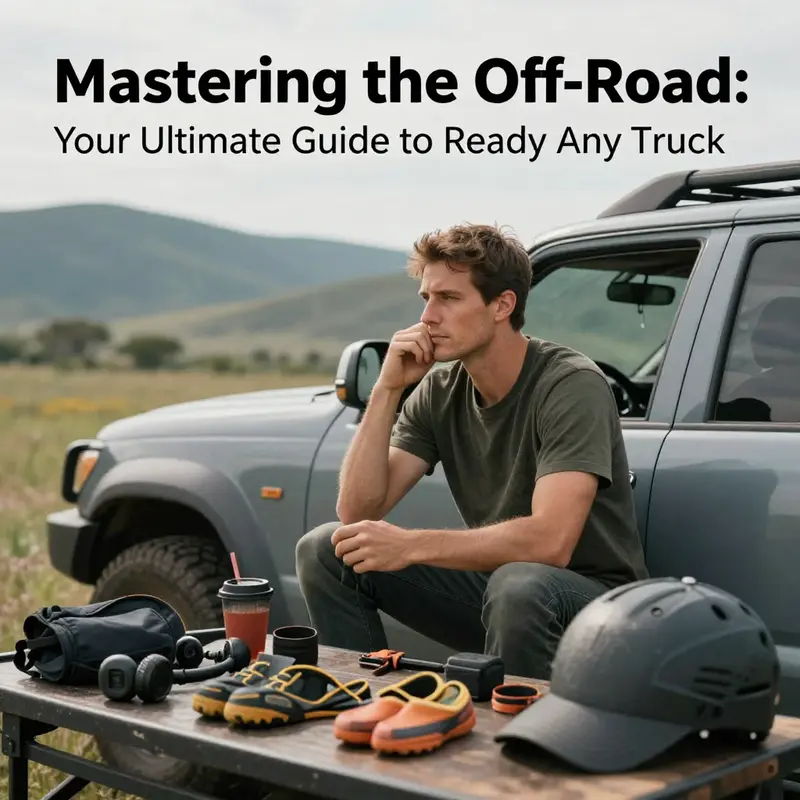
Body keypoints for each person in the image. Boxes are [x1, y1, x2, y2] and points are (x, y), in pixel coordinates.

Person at [295, 222, 649, 680]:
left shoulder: (569, 384)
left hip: (592, 605)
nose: (428, 317)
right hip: (503, 592)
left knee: (520, 582)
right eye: (427, 298)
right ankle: (354, 705)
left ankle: (518, 739)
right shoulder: (440, 388)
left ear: (502, 305)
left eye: (449, 298)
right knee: (330, 549)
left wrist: (410, 545)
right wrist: (386, 388)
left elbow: (550, 543)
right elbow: (359, 509)